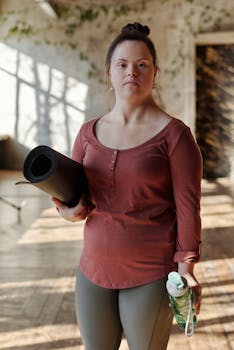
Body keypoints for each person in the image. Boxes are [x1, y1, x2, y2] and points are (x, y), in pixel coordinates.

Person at [52, 22, 203, 350]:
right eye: (122, 65)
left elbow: (188, 210)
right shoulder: (88, 133)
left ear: (155, 72)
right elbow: (70, 199)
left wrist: (186, 270)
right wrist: (69, 211)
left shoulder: (175, 136)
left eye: (141, 65)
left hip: (150, 272)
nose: (131, 72)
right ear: (109, 72)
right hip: (92, 270)